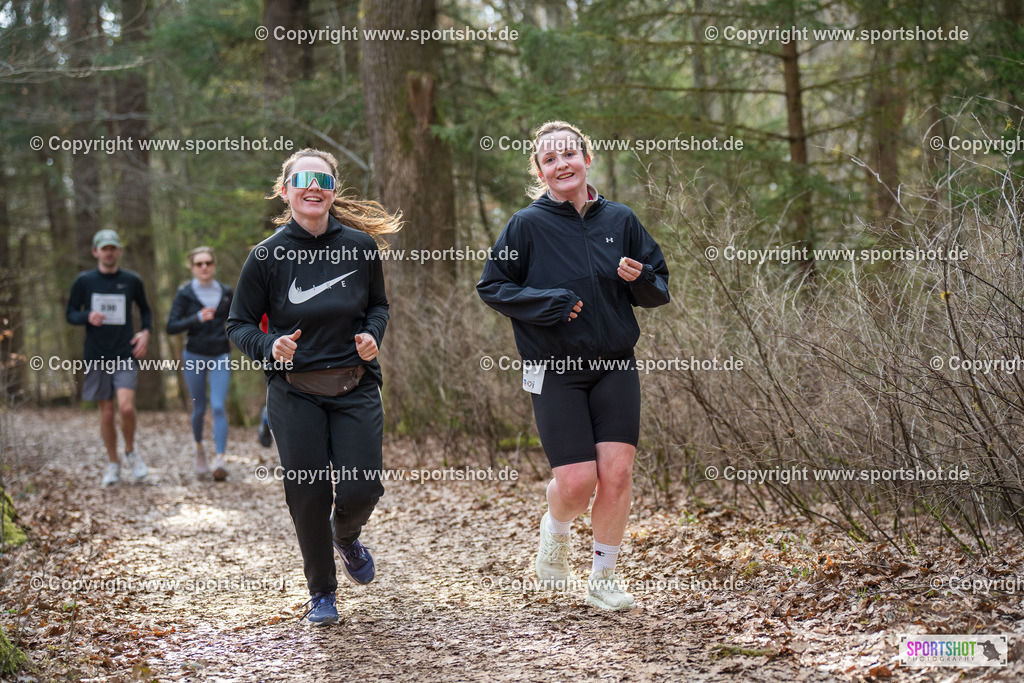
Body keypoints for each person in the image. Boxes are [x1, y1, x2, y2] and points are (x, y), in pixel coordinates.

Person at [477, 121, 670, 611]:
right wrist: (548, 303)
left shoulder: (620, 220)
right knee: (577, 482)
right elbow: (493, 287)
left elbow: (659, 288)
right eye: (549, 159)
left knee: (618, 473)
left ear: (587, 159)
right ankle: (555, 527)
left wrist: (641, 277)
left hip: (614, 364)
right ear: (540, 172)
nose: (561, 164)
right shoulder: (526, 225)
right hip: (554, 368)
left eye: (569, 154)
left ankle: (604, 578)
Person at [227, 149, 401, 626]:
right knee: (307, 492)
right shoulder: (266, 255)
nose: (313, 186)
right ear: (285, 191)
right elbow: (238, 324)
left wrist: (373, 335)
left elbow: (379, 306)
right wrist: (269, 345)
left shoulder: (361, 248)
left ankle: (345, 536)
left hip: (355, 385)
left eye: (322, 180)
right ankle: (321, 593)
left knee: (362, 488)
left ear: (332, 191)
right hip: (294, 391)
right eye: (301, 179)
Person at [66, 229, 153, 486]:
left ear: (119, 251)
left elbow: (146, 311)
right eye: (104, 248)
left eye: (113, 247)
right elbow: (70, 313)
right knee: (106, 413)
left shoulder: (131, 280)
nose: (109, 252)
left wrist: (145, 333)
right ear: (96, 251)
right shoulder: (84, 281)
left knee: (126, 407)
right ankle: (113, 464)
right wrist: (86, 317)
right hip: (96, 355)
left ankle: (131, 452)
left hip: (124, 352)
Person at [166, 247, 234, 480]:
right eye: (199, 264)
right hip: (194, 355)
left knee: (217, 406)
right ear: (192, 268)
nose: (204, 267)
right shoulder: (185, 293)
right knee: (199, 407)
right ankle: (199, 449)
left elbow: (238, 321)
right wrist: (196, 318)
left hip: (220, 355)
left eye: (208, 263)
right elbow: (171, 326)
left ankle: (220, 460)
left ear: (214, 265)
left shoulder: (226, 292)